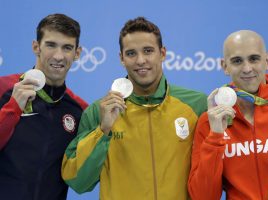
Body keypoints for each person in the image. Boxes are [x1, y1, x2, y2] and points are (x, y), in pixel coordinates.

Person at [62, 17, 207, 200]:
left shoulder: (196, 105)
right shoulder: (98, 112)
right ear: (121, 58)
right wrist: (103, 130)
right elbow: (77, 181)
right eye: (131, 53)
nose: (140, 60)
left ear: (162, 53)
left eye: (148, 51)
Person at [188, 30, 268, 200]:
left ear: (267, 60)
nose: (247, 68)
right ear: (225, 66)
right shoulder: (211, 122)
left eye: (254, 59)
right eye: (237, 61)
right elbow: (203, 196)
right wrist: (215, 137)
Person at [0, 13, 88, 200]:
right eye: (51, 45)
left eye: (67, 48)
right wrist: (12, 108)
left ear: (77, 53)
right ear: (36, 47)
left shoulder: (79, 110)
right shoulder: (3, 89)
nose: (58, 56)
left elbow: (82, 181)